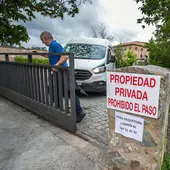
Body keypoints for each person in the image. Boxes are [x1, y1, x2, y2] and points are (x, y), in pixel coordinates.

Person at [39, 31, 86, 123]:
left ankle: (78, 112)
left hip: (62, 71)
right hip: (59, 72)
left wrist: (56, 65)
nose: (42, 42)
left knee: (69, 92)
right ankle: (60, 111)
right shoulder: (52, 47)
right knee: (59, 91)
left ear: (45, 38)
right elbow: (53, 56)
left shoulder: (55, 45)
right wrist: (40, 54)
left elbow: (64, 56)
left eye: (42, 40)